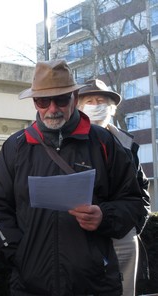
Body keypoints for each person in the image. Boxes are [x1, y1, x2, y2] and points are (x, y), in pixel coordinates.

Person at [0, 60, 149, 295]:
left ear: (73, 96)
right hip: (30, 285)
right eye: (43, 101)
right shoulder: (15, 147)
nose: (52, 109)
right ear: (34, 102)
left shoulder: (105, 143)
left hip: (94, 284)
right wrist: (20, 254)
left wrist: (105, 217)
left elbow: (136, 204)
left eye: (60, 99)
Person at [78, 79, 151, 296]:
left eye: (101, 100)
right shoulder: (70, 142)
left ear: (112, 107)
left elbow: (142, 190)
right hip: (82, 237)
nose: (95, 105)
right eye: (89, 101)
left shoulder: (125, 143)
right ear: (79, 107)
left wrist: (134, 226)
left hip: (123, 237)